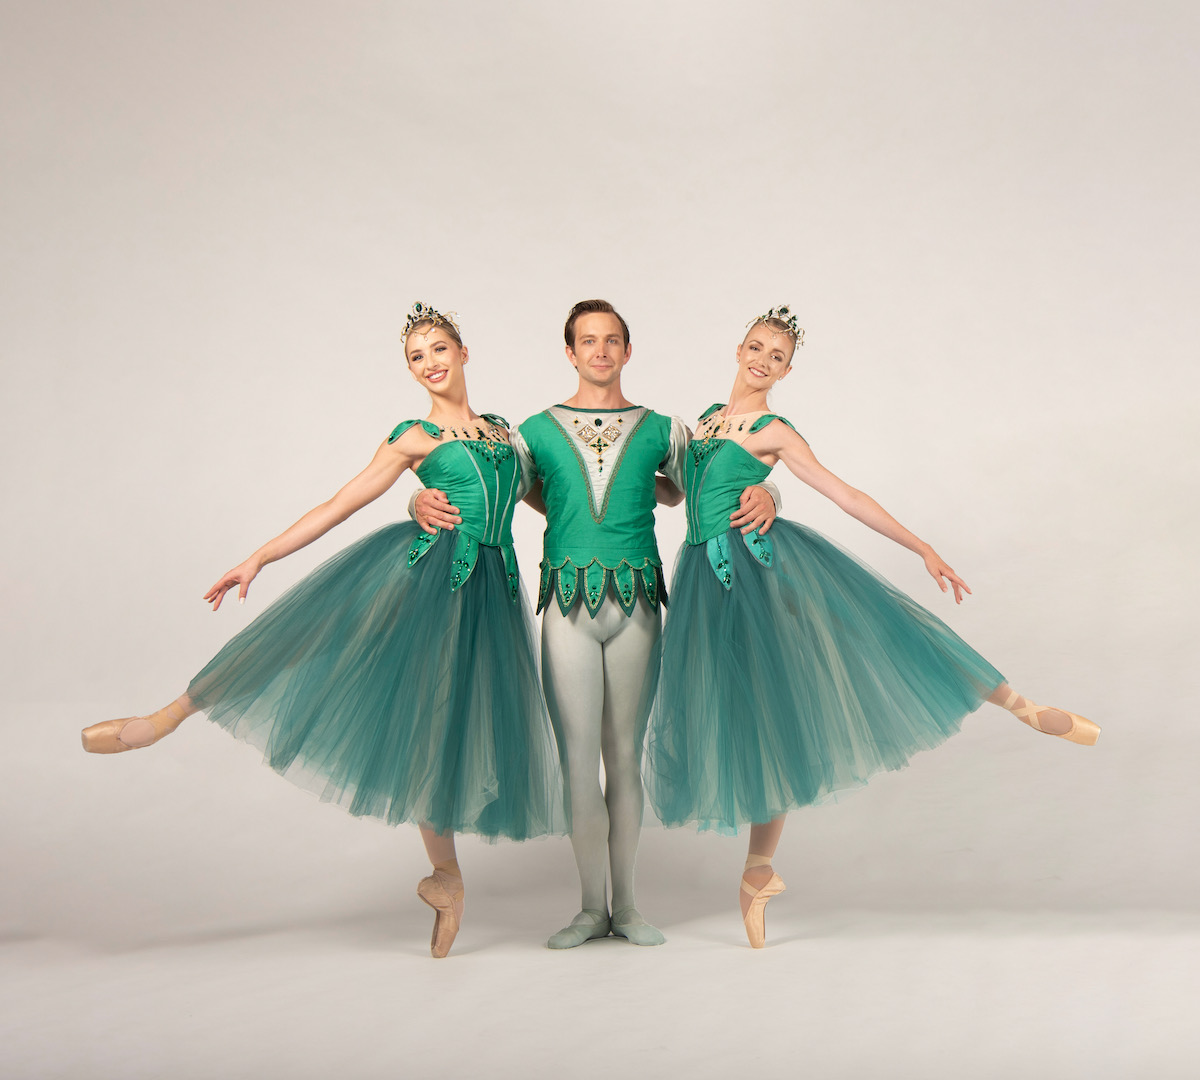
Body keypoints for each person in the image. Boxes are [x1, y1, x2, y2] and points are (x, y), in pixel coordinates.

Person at [81, 303, 565, 958]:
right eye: (417, 357)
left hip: (492, 593)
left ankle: (446, 877)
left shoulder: (506, 433)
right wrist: (260, 556)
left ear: (464, 352)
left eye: (439, 349)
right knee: (313, 637)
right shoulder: (412, 438)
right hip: (425, 576)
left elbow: (550, 500)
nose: (430, 364)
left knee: (442, 728)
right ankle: (168, 715)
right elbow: (338, 505)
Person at [646, 306, 1099, 949]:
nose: (762, 360)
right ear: (738, 348)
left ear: (788, 370)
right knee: (754, 719)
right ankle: (759, 872)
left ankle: (1018, 703)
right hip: (702, 578)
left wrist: (922, 548)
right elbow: (673, 493)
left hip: (757, 569)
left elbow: (845, 494)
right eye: (756, 347)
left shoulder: (774, 430)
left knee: (870, 636)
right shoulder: (704, 422)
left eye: (776, 356)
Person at [414, 299, 780, 948]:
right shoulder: (530, 430)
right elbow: (492, 487)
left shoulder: (665, 428)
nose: (600, 351)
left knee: (624, 757)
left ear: (627, 350)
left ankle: (629, 906)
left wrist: (772, 495)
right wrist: (417, 496)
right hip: (566, 605)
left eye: (612, 340)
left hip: (638, 602)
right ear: (570, 351)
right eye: (588, 341)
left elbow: (716, 475)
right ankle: (590, 908)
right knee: (579, 762)